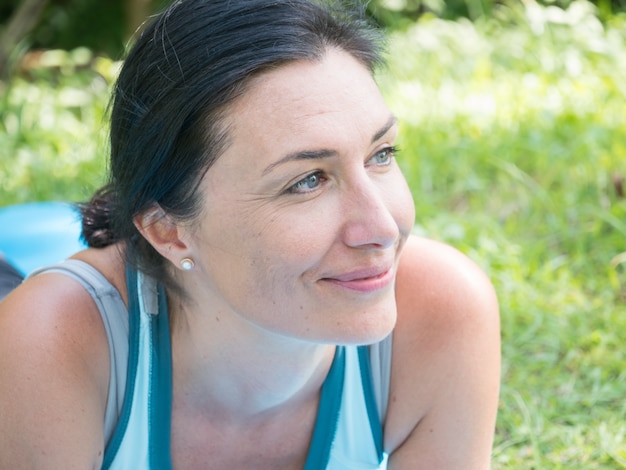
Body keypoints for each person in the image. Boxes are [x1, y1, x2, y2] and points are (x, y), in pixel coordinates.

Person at [0, 0, 501, 468]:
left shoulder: (442, 312)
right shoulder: (50, 345)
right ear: (169, 231)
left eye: (381, 155)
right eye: (306, 181)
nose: (383, 229)